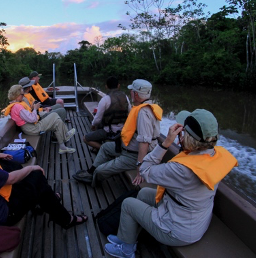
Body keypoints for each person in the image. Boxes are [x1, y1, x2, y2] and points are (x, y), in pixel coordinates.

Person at [105, 109, 238, 258]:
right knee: (143, 193)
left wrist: (166, 142)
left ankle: (126, 250)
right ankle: (128, 236)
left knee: (128, 204)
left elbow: (144, 169)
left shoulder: (181, 169)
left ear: (186, 137)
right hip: (194, 219)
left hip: (178, 231)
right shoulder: (215, 155)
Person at [75, 79, 160, 187]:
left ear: (135, 94)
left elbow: (144, 143)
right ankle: (90, 171)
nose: (130, 93)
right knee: (105, 147)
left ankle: (93, 178)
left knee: (100, 171)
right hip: (127, 147)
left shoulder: (143, 113)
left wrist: (140, 169)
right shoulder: (143, 107)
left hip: (133, 156)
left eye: (132, 91)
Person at [3, 84, 76, 154]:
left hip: (30, 126)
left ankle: (62, 146)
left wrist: (33, 108)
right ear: (17, 95)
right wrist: (35, 109)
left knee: (56, 120)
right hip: (31, 128)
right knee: (54, 116)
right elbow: (32, 119)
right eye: (22, 94)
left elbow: (27, 116)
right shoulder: (17, 107)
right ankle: (65, 137)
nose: (23, 96)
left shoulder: (16, 104)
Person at [83, 76, 129, 153]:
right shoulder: (126, 97)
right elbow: (130, 113)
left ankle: (104, 149)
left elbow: (97, 119)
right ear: (118, 85)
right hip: (123, 130)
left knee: (85, 138)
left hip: (109, 131)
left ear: (106, 87)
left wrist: (93, 125)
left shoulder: (105, 99)